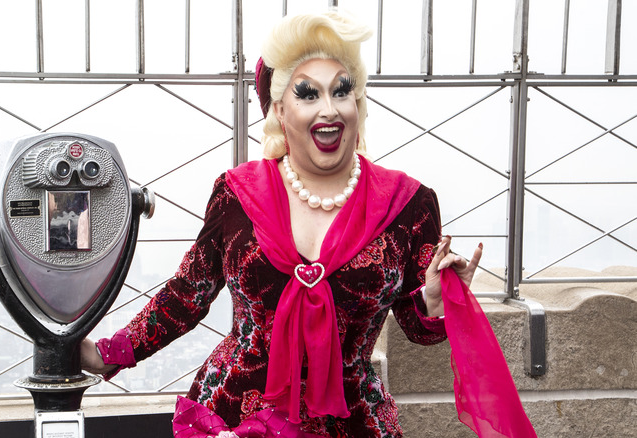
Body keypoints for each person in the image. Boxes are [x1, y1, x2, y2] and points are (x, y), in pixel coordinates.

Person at [81, 10, 481, 438]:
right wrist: (108, 354)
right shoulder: (236, 195)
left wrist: (437, 304)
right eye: (308, 94)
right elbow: (188, 294)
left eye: (342, 91)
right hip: (234, 418)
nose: (329, 109)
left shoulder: (409, 205)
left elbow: (418, 328)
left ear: (358, 103)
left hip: (353, 425)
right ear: (278, 108)